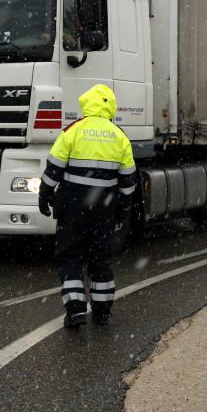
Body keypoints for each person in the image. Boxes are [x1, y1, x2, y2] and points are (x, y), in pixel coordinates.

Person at [38, 84, 136, 329]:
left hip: (73, 210)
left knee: (69, 258)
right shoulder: (119, 136)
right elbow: (128, 181)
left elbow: (53, 169)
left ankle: (75, 311)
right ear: (110, 106)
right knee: (100, 260)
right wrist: (124, 209)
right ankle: (102, 312)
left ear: (86, 104)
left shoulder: (74, 130)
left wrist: (44, 195)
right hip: (104, 212)